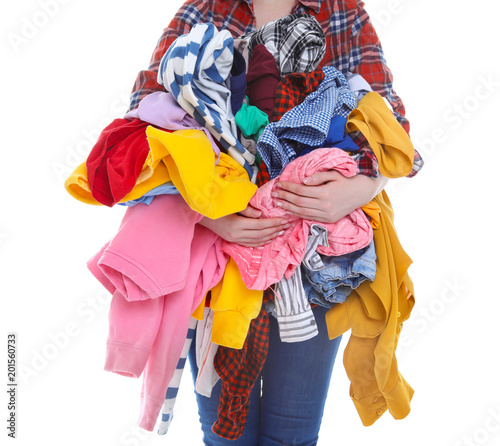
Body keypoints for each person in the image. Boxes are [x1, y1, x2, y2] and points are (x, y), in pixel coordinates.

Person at [127, 0, 422, 444]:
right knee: (228, 437)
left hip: (318, 263)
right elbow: (141, 123)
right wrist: (211, 214)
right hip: (219, 268)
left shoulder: (341, 11)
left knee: (293, 436)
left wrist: (359, 189)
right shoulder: (205, 11)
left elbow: (393, 127)